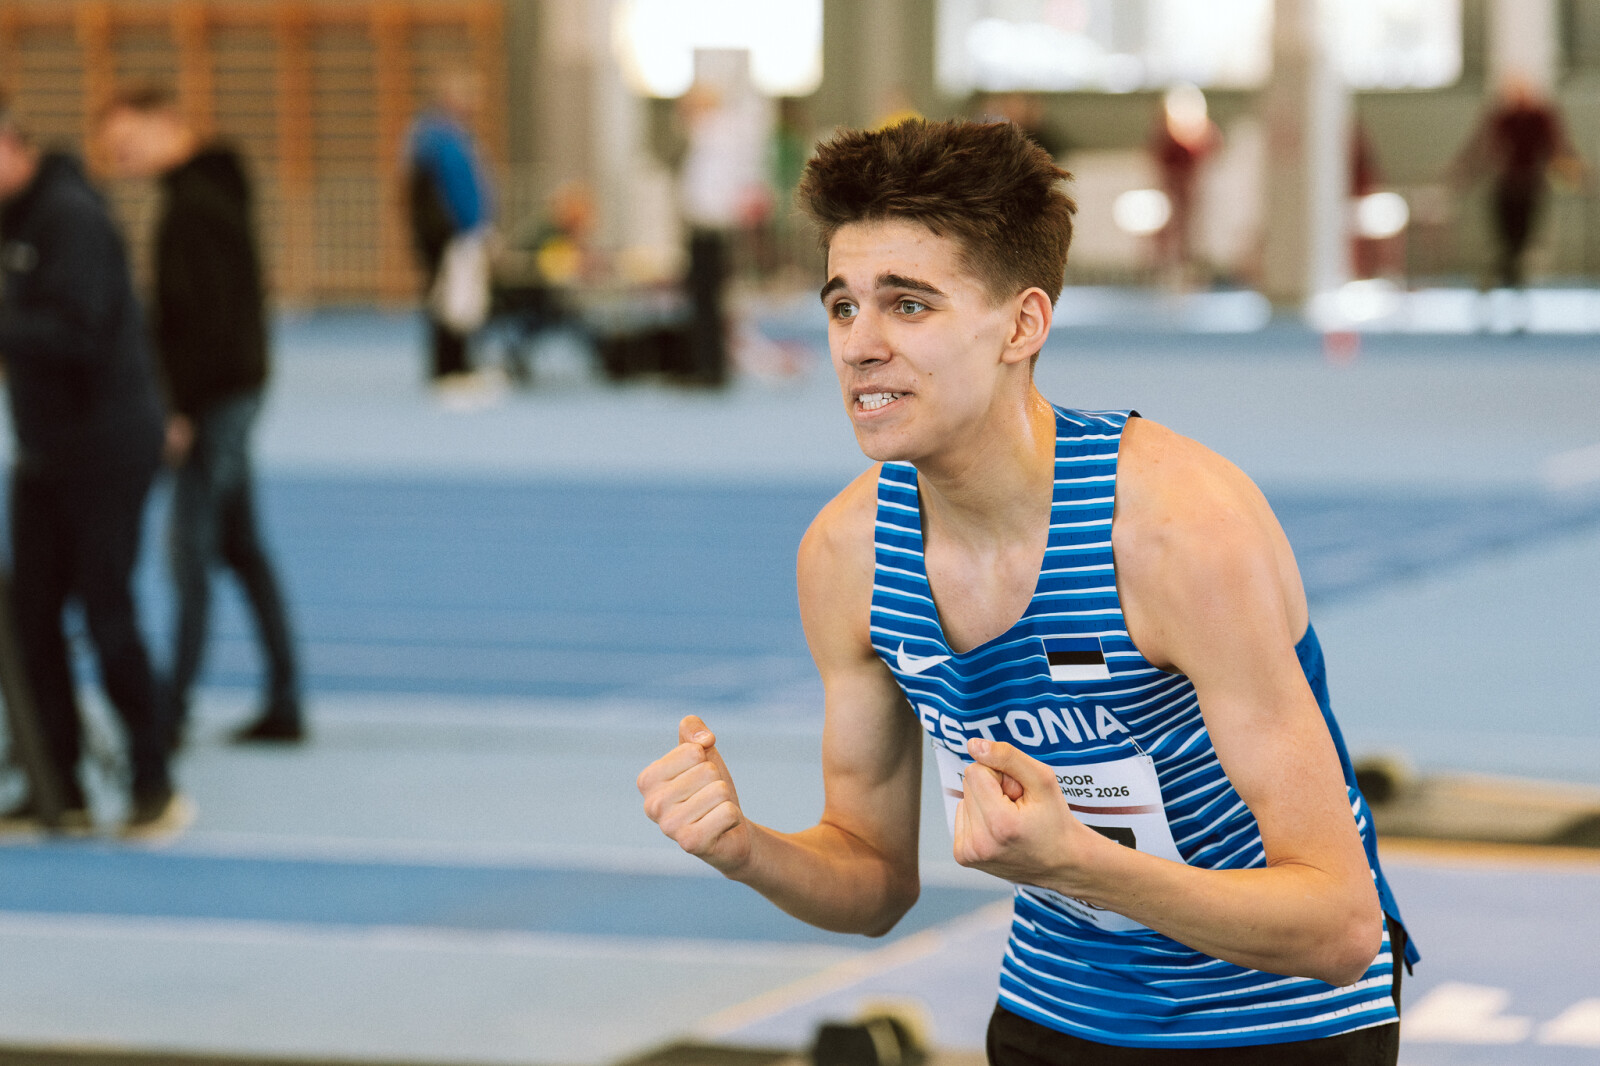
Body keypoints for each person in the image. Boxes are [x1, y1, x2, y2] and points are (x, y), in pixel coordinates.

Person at [638, 119, 1416, 1063]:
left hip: (1280, 1025)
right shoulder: (849, 557)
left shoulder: (1175, 536)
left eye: (908, 305)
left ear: (1023, 324)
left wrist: (1080, 863)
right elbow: (873, 880)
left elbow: (1339, 928)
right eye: (842, 306)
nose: (859, 345)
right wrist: (745, 849)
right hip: (1057, 1011)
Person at [0, 97, 186, 836]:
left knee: (107, 612)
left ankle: (153, 782)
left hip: (107, 446)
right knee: (30, 619)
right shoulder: (13, 222)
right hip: (44, 449)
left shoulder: (70, 217)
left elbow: (78, 331)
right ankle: (59, 787)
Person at [97, 85, 303, 746]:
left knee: (190, 552)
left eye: (128, 141)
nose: (121, 157)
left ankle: (171, 709)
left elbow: (201, 321)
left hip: (215, 400)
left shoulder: (193, 207)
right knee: (241, 549)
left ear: (166, 124)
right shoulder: (209, 191)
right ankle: (284, 698)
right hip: (232, 389)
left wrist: (179, 408)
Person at [404, 66, 496, 392]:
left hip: (460, 233)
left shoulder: (450, 136)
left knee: (461, 304)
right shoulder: (437, 139)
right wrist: (464, 229)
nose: (473, 106)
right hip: (450, 235)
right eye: (468, 98)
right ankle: (448, 370)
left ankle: (457, 365)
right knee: (450, 303)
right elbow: (450, 192)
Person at [1451, 74, 1585, 290]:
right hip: (1507, 186)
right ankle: (1506, 271)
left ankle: (1509, 272)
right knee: (1505, 236)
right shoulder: (1503, 117)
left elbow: (1558, 147)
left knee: (1522, 237)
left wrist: (1575, 174)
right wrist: (1465, 172)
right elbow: (1481, 147)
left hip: (1530, 186)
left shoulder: (1541, 118)